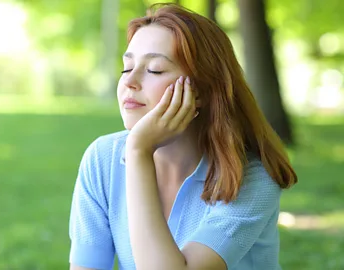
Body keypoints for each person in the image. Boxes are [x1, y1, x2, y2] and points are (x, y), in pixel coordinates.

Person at [68, 3, 297, 270]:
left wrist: (138, 152)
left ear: (200, 91)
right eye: (126, 67)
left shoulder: (252, 177)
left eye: (154, 69)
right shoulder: (102, 158)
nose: (130, 81)